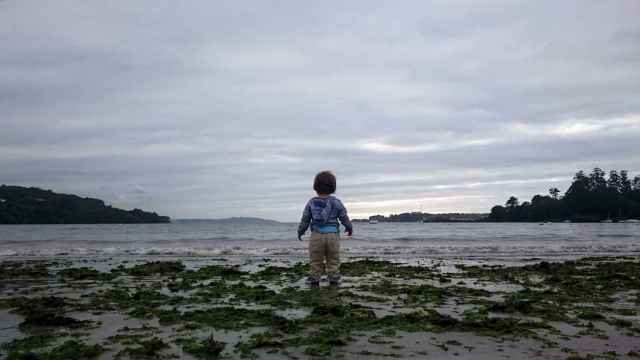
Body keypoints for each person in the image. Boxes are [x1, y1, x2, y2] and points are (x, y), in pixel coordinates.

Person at [297, 171, 353, 287]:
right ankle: (334, 279)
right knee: (333, 259)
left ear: (315, 187)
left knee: (315, 260)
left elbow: (305, 219)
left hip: (317, 235)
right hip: (333, 236)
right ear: (333, 187)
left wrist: (301, 231)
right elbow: (343, 216)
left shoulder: (311, 203)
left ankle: (314, 279)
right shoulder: (336, 202)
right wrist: (349, 227)